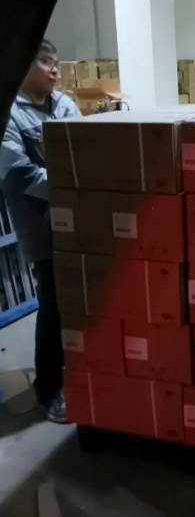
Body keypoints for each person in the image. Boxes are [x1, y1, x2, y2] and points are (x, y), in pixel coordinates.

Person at [0, 39, 81, 423]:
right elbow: (18, 174)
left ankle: (79, 374)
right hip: (42, 226)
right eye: (45, 61)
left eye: (56, 62)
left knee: (78, 302)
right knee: (53, 302)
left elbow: (89, 149)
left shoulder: (64, 105)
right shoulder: (10, 114)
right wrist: (73, 183)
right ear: (24, 64)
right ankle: (48, 390)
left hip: (79, 221)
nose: (54, 69)